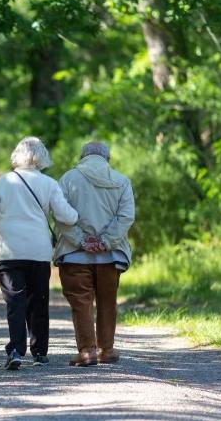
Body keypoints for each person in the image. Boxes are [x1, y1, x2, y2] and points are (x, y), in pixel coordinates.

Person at [0, 137, 78, 370]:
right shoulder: (49, 183)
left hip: (9, 252)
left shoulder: (4, 182)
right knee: (38, 302)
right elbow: (67, 217)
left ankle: (15, 350)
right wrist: (78, 215)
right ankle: (40, 353)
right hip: (38, 252)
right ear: (42, 156)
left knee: (15, 302)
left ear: (17, 155)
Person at [54, 141, 135, 367]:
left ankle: (88, 351)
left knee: (81, 303)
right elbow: (126, 216)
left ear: (82, 157)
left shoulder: (68, 179)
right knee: (108, 301)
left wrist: (82, 240)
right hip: (110, 256)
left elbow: (60, 216)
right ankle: (106, 349)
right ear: (107, 159)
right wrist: (105, 241)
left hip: (74, 254)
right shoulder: (121, 181)